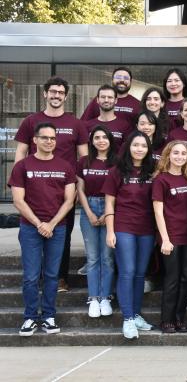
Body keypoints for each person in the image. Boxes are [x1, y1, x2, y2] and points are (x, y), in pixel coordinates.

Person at [14, 77, 88, 294]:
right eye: (53, 91)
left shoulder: (76, 124)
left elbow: (83, 157)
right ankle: (34, 278)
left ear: (66, 96)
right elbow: (20, 151)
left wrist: (78, 188)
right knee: (31, 233)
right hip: (34, 188)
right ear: (45, 94)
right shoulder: (30, 121)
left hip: (64, 190)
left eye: (60, 92)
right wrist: (19, 181)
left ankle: (61, 278)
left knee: (61, 235)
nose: (56, 95)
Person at [12, 122, 77, 336]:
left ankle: (48, 316)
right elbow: (18, 201)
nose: (49, 141)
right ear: (35, 140)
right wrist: (39, 224)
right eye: (45, 137)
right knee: (31, 276)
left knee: (51, 275)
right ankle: (30, 317)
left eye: (52, 138)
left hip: (57, 229)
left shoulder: (65, 167)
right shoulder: (22, 166)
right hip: (30, 228)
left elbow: (69, 201)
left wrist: (51, 224)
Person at [102, 131, 157, 339]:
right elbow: (109, 202)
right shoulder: (117, 171)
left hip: (147, 228)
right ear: (128, 147)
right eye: (136, 145)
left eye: (143, 146)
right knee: (128, 271)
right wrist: (109, 230)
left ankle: (135, 314)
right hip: (123, 226)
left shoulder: (153, 171)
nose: (139, 149)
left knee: (140, 274)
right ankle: (127, 319)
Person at [152, 141, 187, 334]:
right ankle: (167, 319)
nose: (180, 156)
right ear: (168, 155)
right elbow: (158, 212)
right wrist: (165, 239)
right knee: (172, 279)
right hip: (171, 236)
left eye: (183, 153)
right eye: (176, 153)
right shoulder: (161, 180)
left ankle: (179, 318)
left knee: (186, 278)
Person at [77, 126, 116, 318]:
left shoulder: (117, 162)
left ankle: (106, 297)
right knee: (92, 257)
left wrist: (108, 214)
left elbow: (118, 191)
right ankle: (93, 298)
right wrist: (89, 213)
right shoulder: (84, 161)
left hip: (110, 209)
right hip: (89, 208)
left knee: (107, 258)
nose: (101, 140)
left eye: (104, 137)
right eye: (97, 137)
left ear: (110, 140)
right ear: (91, 141)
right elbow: (80, 190)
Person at [86, 85, 133, 150]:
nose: (106, 100)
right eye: (103, 97)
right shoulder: (87, 126)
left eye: (110, 97)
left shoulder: (125, 126)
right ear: (97, 100)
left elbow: (126, 151)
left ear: (116, 100)